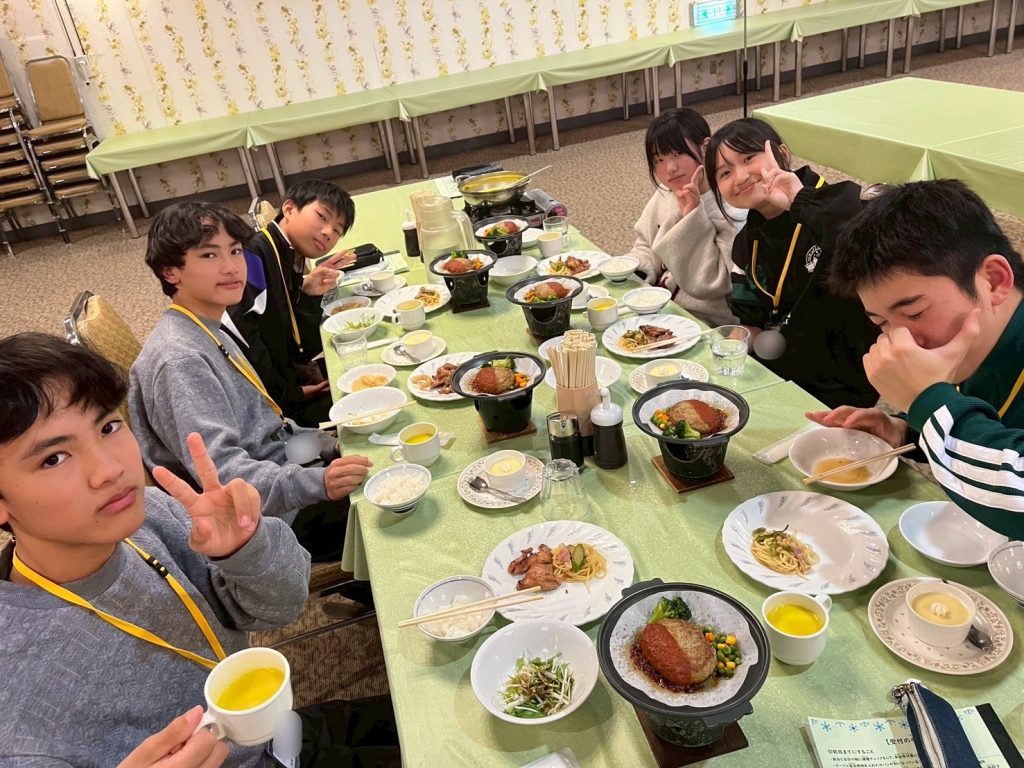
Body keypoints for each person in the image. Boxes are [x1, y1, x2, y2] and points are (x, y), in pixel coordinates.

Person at [0, 332, 310, 767]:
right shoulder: (19, 716)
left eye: (108, 427)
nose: (110, 470)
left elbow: (282, 607)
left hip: (273, 735)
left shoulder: (151, 515)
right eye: (54, 458)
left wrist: (245, 549)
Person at [130, 202, 371, 562]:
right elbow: (224, 476)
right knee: (400, 499)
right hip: (269, 519)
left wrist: (325, 445)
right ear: (170, 271)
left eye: (235, 251)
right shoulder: (179, 360)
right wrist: (319, 482)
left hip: (285, 471)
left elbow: (267, 429)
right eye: (209, 255)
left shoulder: (205, 325)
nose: (231, 267)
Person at [809, 179, 1024, 540]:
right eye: (881, 323)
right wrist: (908, 429)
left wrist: (928, 400)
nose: (902, 341)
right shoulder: (978, 339)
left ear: (993, 280)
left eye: (914, 312)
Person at [704, 118, 879, 409]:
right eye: (725, 172)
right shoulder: (746, 243)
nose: (741, 176)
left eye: (748, 158)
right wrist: (730, 347)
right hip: (782, 374)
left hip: (843, 383)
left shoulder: (835, 202)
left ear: (782, 153)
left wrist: (800, 200)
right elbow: (750, 321)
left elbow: (869, 238)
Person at [226, 179, 356, 427]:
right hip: (267, 408)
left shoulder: (290, 256)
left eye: (337, 230)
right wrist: (293, 394)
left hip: (287, 381)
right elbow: (244, 344)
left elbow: (300, 344)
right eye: (322, 216)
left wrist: (308, 295)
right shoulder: (253, 256)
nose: (328, 233)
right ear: (288, 209)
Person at [626, 108, 742, 327]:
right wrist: (640, 269)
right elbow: (645, 242)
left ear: (705, 147)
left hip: (706, 318)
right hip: (660, 303)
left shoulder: (731, 205)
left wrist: (693, 217)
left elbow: (717, 282)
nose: (670, 168)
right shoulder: (666, 192)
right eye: (659, 160)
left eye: (678, 154)